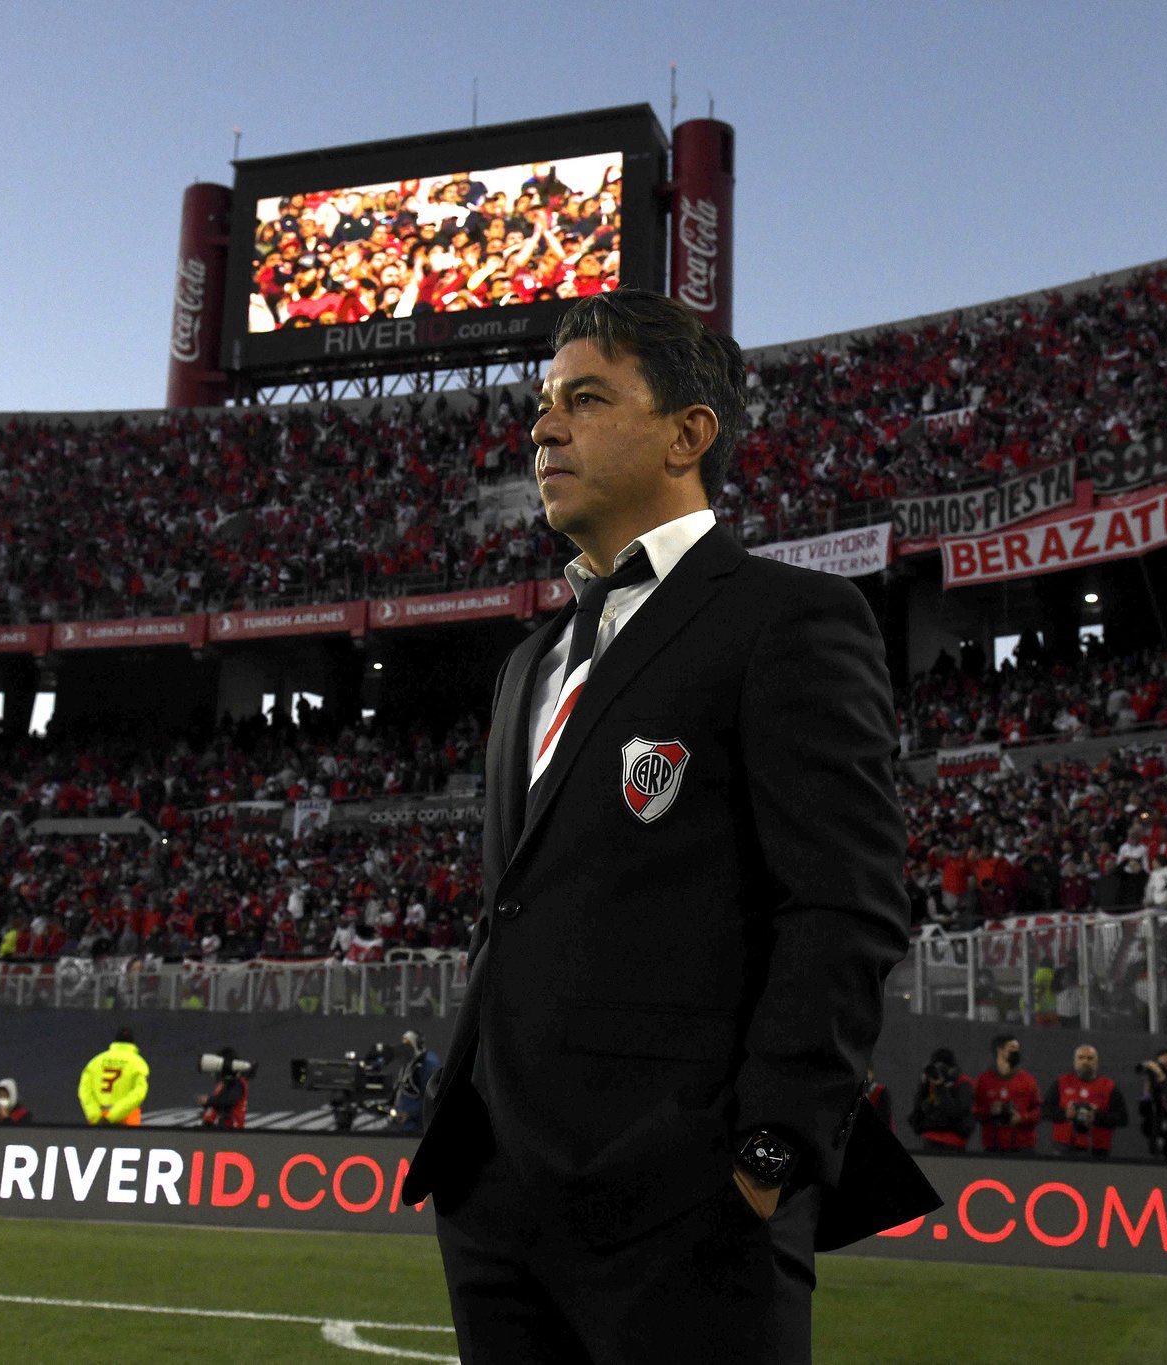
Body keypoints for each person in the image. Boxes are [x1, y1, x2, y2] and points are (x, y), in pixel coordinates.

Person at [401, 290, 936, 1364]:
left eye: (584, 399)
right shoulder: (526, 666)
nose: (542, 428)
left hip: (680, 1195)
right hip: (497, 1191)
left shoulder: (786, 619)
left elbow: (841, 899)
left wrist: (768, 1144)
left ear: (689, 433)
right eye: (543, 403)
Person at [1043, 1044, 1123, 1159]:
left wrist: (1096, 1117)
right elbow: (1045, 1111)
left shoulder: (1109, 1086)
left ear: (1097, 1062)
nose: (1085, 1062)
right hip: (1064, 1147)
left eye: (1090, 1058)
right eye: (1081, 1058)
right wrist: (1065, 1114)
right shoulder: (1061, 1083)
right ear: (1075, 1061)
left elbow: (1122, 1118)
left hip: (1098, 1149)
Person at [972, 1033, 1040, 1154]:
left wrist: (1022, 1118)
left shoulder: (1028, 1080)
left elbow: (1039, 1110)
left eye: (1017, 1049)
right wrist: (990, 1111)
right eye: (1012, 1048)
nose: (1016, 1052)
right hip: (993, 1146)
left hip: (1023, 1146)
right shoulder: (984, 1080)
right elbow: (974, 1109)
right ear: (1000, 1050)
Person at [79, 1026, 149, 1126]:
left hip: (99, 1120)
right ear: (132, 1044)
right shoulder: (138, 1063)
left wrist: (95, 1116)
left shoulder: (96, 1061)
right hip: (127, 1121)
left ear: (115, 1042)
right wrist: (113, 1116)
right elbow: (138, 1094)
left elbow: (84, 1091)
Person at [909, 1049, 976, 1151]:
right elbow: (918, 1113)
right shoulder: (931, 1082)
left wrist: (941, 1087)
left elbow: (956, 1112)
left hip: (954, 1141)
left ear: (952, 1069)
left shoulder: (963, 1083)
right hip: (930, 1139)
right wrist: (923, 1087)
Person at [389, 1029, 442, 1134]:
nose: (404, 1047)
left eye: (407, 1043)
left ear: (417, 1044)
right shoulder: (408, 1063)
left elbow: (432, 1097)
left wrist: (410, 1113)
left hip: (417, 1126)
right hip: (401, 1121)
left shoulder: (428, 1063)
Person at [198, 1045, 249, 1130]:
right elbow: (219, 1104)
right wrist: (207, 1105)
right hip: (219, 1128)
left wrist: (209, 1100)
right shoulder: (224, 1083)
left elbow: (230, 1100)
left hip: (232, 1130)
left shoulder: (237, 1083)